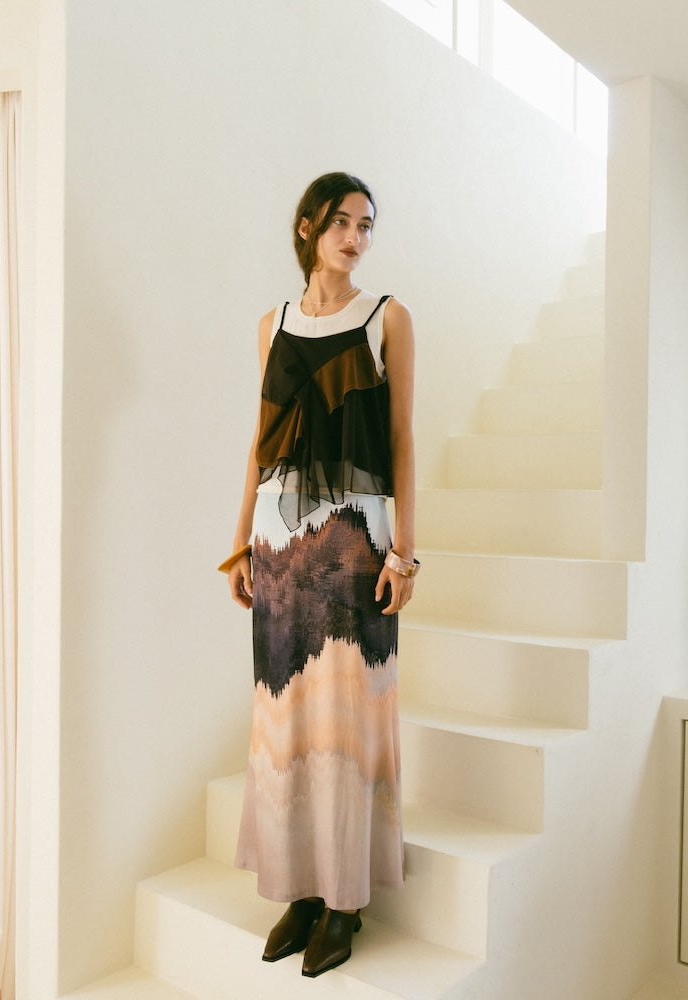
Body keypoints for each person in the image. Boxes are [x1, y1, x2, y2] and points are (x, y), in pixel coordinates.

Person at [219, 171, 418, 978]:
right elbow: (261, 441)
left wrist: (405, 551)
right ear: (307, 227)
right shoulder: (271, 325)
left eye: (366, 225)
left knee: (350, 720)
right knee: (287, 720)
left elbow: (401, 439)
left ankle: (346, 900)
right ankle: (301, 889)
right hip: (279, 541)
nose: (355, 238)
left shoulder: (386, 317)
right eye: (341, 222)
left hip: (357, 538)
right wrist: (239, 541)